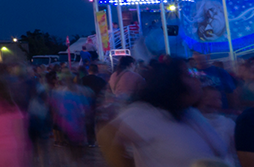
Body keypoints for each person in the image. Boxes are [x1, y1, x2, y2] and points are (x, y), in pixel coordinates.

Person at [99, 57, 233, 167]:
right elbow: (106, 135)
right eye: (188, 74)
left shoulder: (189, 112)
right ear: (172, 83)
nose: (196, 79)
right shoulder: (146, 113)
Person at [198, 86, 237, 166]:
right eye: (209, 98)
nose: (217, 102)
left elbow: (235, 150)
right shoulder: (192, 121)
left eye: (218, 98)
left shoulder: (228, 123)